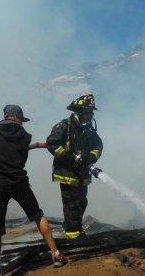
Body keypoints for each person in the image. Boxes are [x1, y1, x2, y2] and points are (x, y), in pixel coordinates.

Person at [0, 105, 66, 276]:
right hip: (19, 182)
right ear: (18, 118)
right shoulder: (25, 136)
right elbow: (21, 158)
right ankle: (56, 255)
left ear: (5, 115)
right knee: (37, 216)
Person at [46, 94, 103, 240]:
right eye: (88, 112)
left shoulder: (88, 130)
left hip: (82, 174)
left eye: (91, 113)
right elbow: (51, 144)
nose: (90, 116)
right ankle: (73, 235)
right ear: (79, 112)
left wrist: (90, 157)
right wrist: (68, 157)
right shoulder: (64, 126)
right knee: (72, 204)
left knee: (82, 202)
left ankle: (76, 228)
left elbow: (98, 145)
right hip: (67, 173)